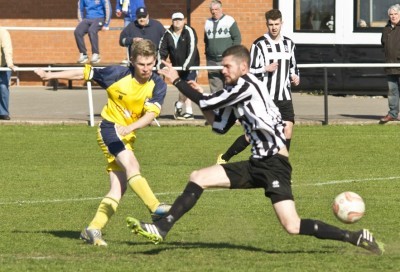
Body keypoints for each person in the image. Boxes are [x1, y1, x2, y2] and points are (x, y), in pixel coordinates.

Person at [125, 45, 384, 255]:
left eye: (227, 66)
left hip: (274, 164)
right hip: (255, 163)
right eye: (222, 66)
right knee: (198, 177)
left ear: (243, 67)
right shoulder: (235, 89)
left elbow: (208, 102)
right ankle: (162, 228)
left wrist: (178, 81)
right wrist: (200, 93)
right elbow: (220, 126)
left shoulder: (245, 86)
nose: (222, 70)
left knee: (292, 226)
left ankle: (355, 236)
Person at [34, 39, 170, 246]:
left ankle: (93, 229)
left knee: (119, 188)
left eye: (150, 63)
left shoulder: (157, 84)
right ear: (132, 61)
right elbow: (83, 73)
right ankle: (155, 208)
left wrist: (131, 128)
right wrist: (51, 74)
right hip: (109, 129)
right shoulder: (116, 74)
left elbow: (151, 115)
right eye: (142, 64)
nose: (146, 68)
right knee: (133, 165)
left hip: (127, 135)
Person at [216, 9, 300, 164]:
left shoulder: (289, 44)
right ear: (266, 24)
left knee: (287, 130)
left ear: (282, 23)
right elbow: (249, 72)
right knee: (253, 134)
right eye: (270, 24)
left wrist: (295, 77)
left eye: (276, 24)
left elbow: (293, 67)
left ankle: (282, 167)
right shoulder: (259, 45)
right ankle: (225, 157)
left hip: (284, 97)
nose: (274, 27)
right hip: (265, 99)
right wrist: (264, 69)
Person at [157, 12, 200, 120]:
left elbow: (192, 48)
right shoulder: (167, 34)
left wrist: (187, 64)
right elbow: (162, 51)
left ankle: (188, 111)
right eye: (175, 20)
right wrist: (160, 64)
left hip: (191, 64)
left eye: (180, 20)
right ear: (172, 21)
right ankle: (179, 104)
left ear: (183, 21)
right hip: (177, 66)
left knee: (189, 85)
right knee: (182, 87)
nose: (177, 22)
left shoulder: (189, 31)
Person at [204, 0, 241, 93]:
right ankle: (217, 107)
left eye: (216, 9)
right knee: (215, 88)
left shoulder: (229, 20)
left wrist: (231, 56)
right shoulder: (207, 22)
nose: (214, 11)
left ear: (221, 9)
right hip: (212, 60)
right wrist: (208, 54)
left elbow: (237, 38)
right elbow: (206, 41)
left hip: (226, 60)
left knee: (229, 85)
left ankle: (230, 107)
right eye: (212, 9)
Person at [380, 4, 400, 123]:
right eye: (391, 14)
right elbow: (383, 44)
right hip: (390, 65)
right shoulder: (386, 29)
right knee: (392, 91)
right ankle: (392, 114)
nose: (393, 16)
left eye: (395, 14)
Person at [0, 27, 16, 120]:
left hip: (4, 65)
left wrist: (10, 63)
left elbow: (7, 48)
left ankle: (3, 113)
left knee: (3, 87)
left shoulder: (3, 32)